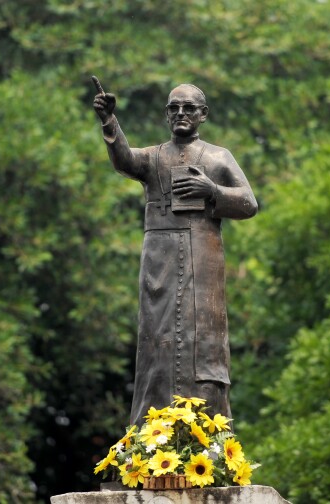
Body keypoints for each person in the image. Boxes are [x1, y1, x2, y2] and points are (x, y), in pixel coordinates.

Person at [92, 78, 257, 426]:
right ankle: (153, 431)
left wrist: (211, 189)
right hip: (159, 257)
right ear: (167, 115)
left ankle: (204, 428)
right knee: (156, 340)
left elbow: (248, 203)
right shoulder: (154, 157)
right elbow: (124, 160)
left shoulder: (218, 156)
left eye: (189, 108)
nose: (180, 114)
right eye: (174, 108)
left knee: (203, 340)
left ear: (203, 114)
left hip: (202, 253)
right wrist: (110, 121)